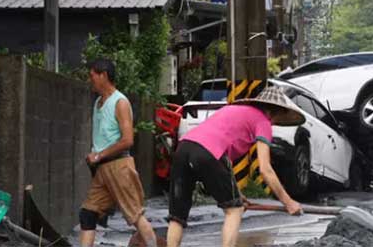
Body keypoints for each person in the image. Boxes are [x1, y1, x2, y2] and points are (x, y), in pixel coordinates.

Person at [166, 85, 305, 247]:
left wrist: (237, 194)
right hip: (208, 153)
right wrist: (288, 202)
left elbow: (224, 165)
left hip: (184, 149)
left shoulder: (234, 110)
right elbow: (265, 169)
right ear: (278, 112)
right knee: (234, 210)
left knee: (177, 217)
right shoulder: (263, 122)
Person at [79, 59, 157, 247]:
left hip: (119, 166)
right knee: (87, 214)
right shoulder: (98, 102)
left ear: (103, 75)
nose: (91, 81)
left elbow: (127, 140)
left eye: (92, 76)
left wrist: (99, 155)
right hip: (103, 170)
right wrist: (95, 157)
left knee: (135, 215)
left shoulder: (120, 102)